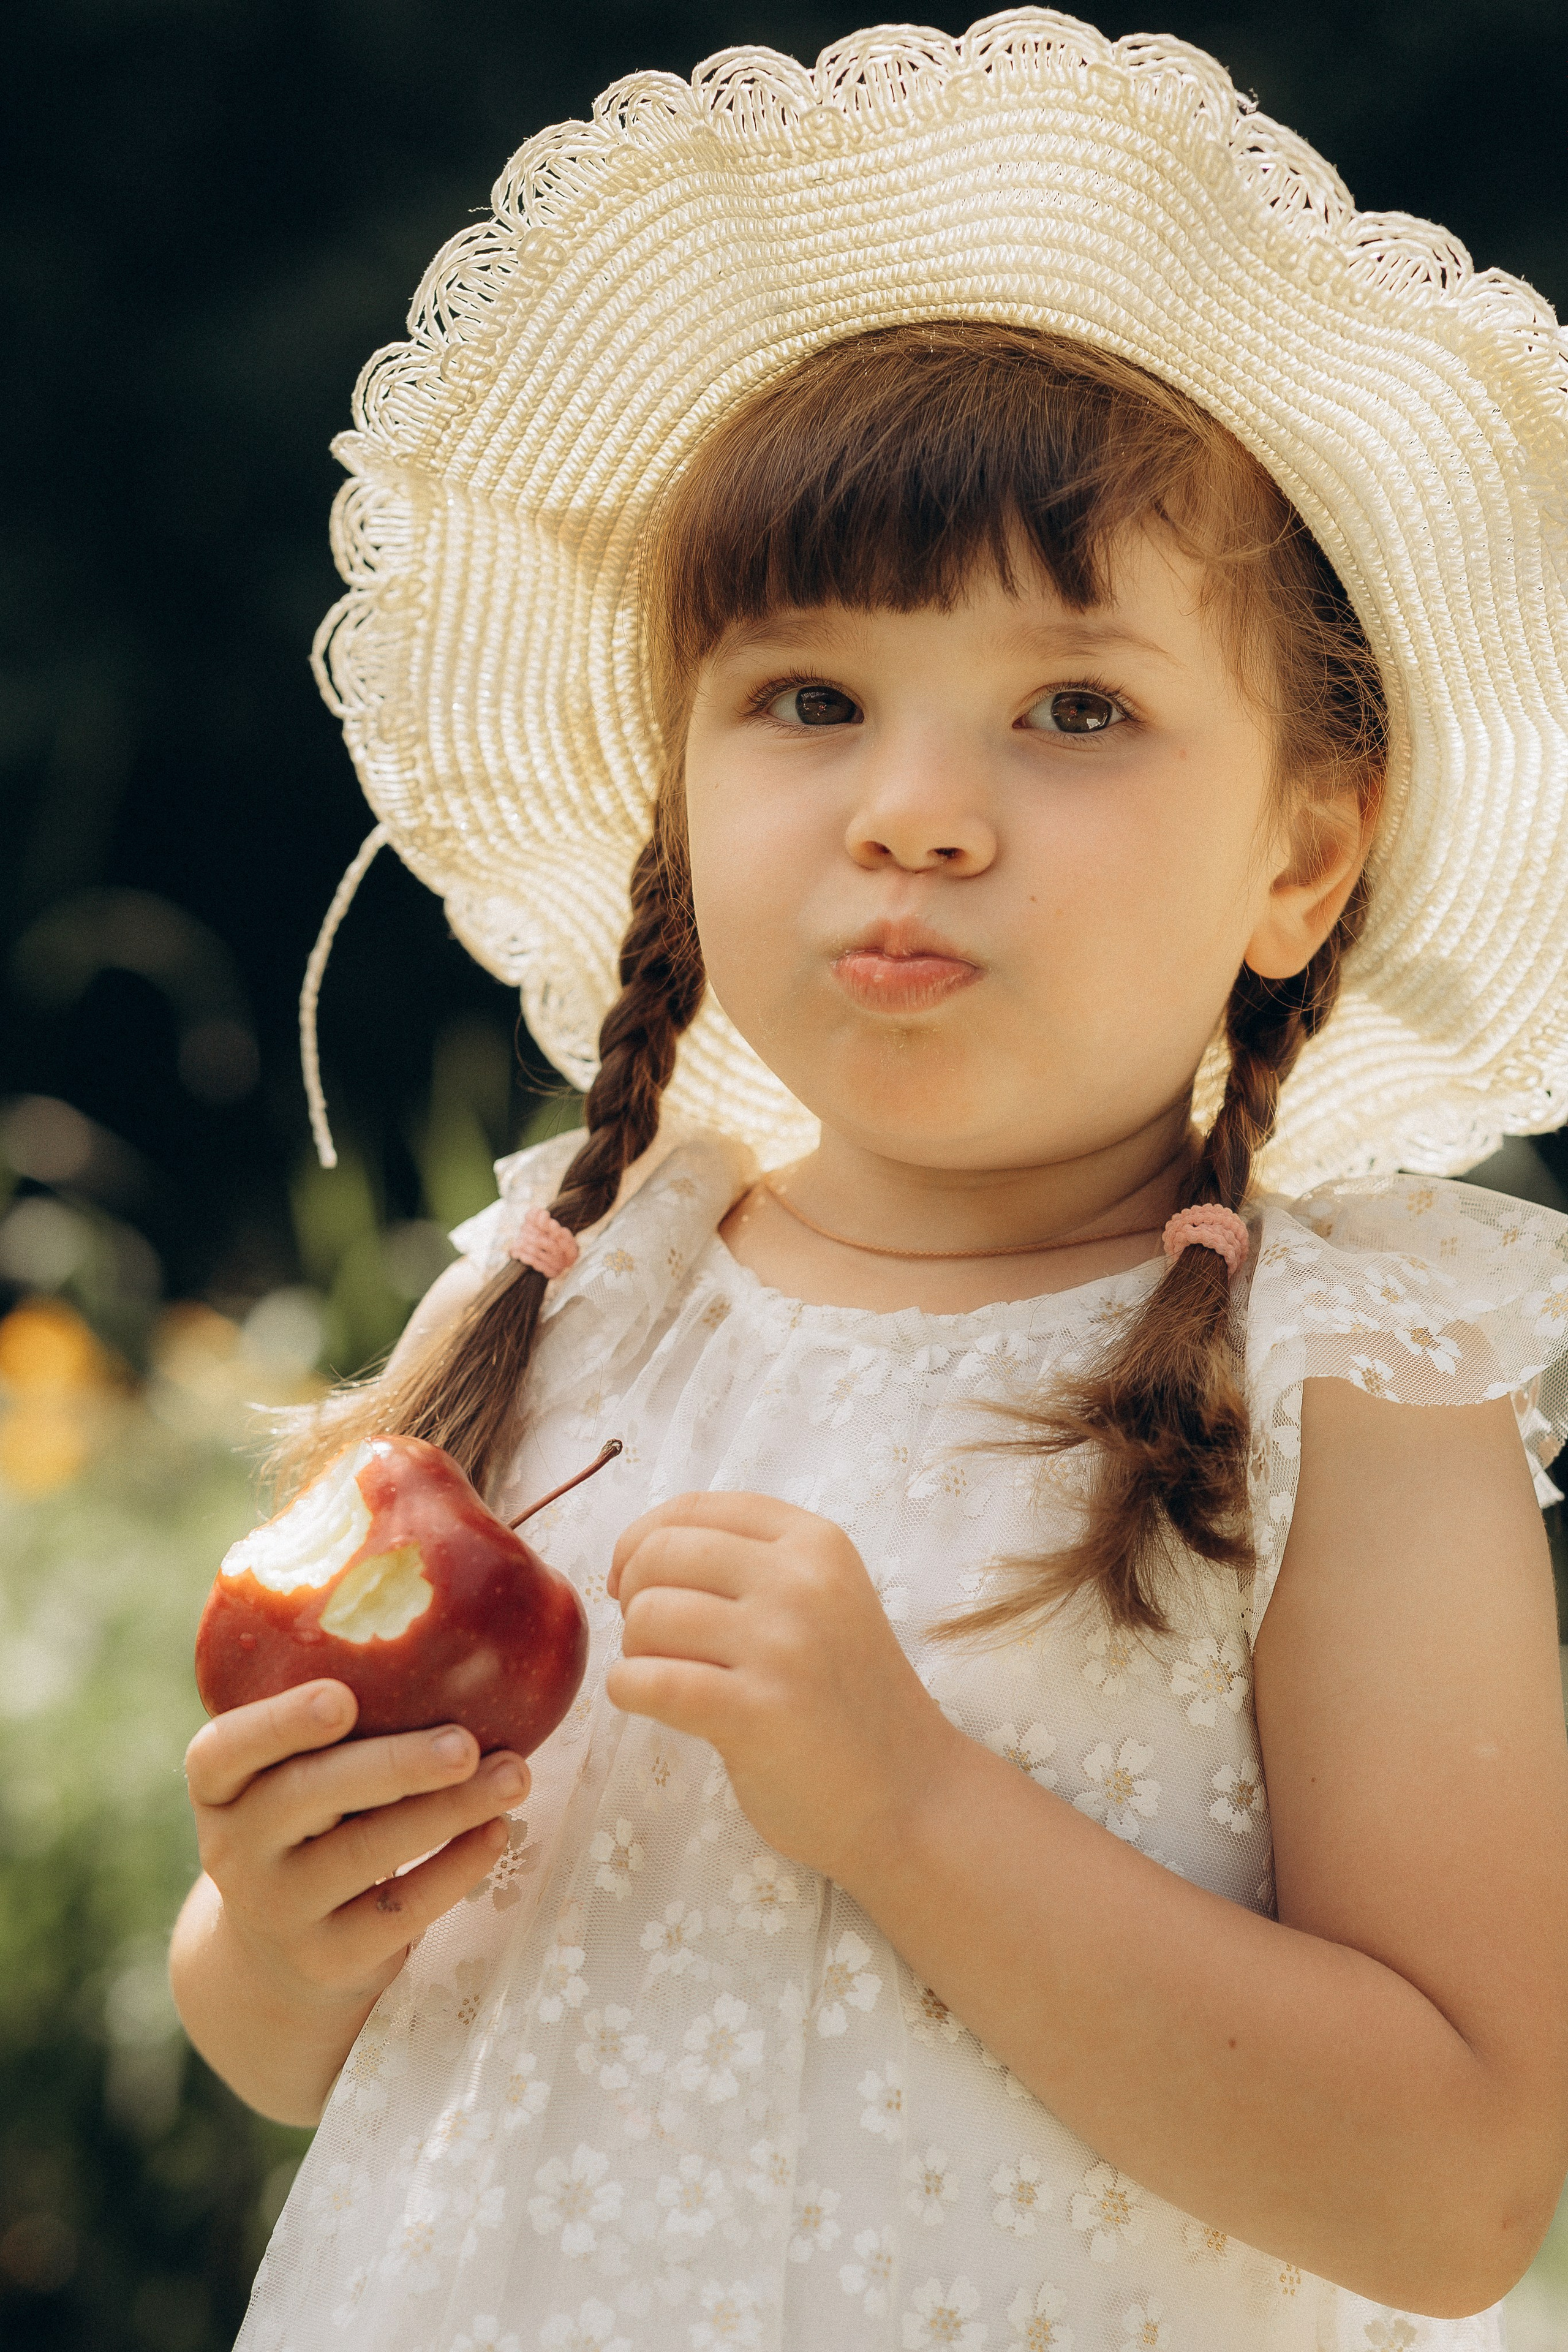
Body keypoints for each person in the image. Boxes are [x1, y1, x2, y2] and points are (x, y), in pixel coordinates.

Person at [169, 17, 1568, 2350]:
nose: (913, 807)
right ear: (682, 785)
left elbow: (1450, 2200)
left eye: (1075, 709)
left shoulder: (1353, 1381)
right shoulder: (567, 1289)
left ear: (1306, 854)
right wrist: (278, 1927)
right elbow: (295, 2053)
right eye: (809, 701)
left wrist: (911, 1806)